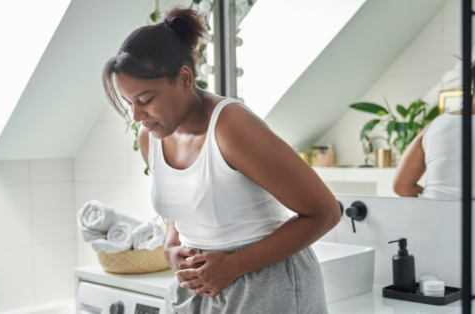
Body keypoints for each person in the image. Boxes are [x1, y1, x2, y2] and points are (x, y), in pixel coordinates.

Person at [102, 7, 339, 313]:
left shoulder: (231, 128)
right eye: (129, 103)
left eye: (145, 100)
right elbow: (181, 203)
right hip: (198, 285)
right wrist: (172, 246)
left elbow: (325, 213)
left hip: (265, 281)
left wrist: (233, 265)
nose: (136, 116)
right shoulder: (152, 137)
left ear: (185, 78)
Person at [393, 57, 475, 202]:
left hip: (430, 215)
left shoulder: (435, 123)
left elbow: (401, 185)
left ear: (474, 95)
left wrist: (441, 200)